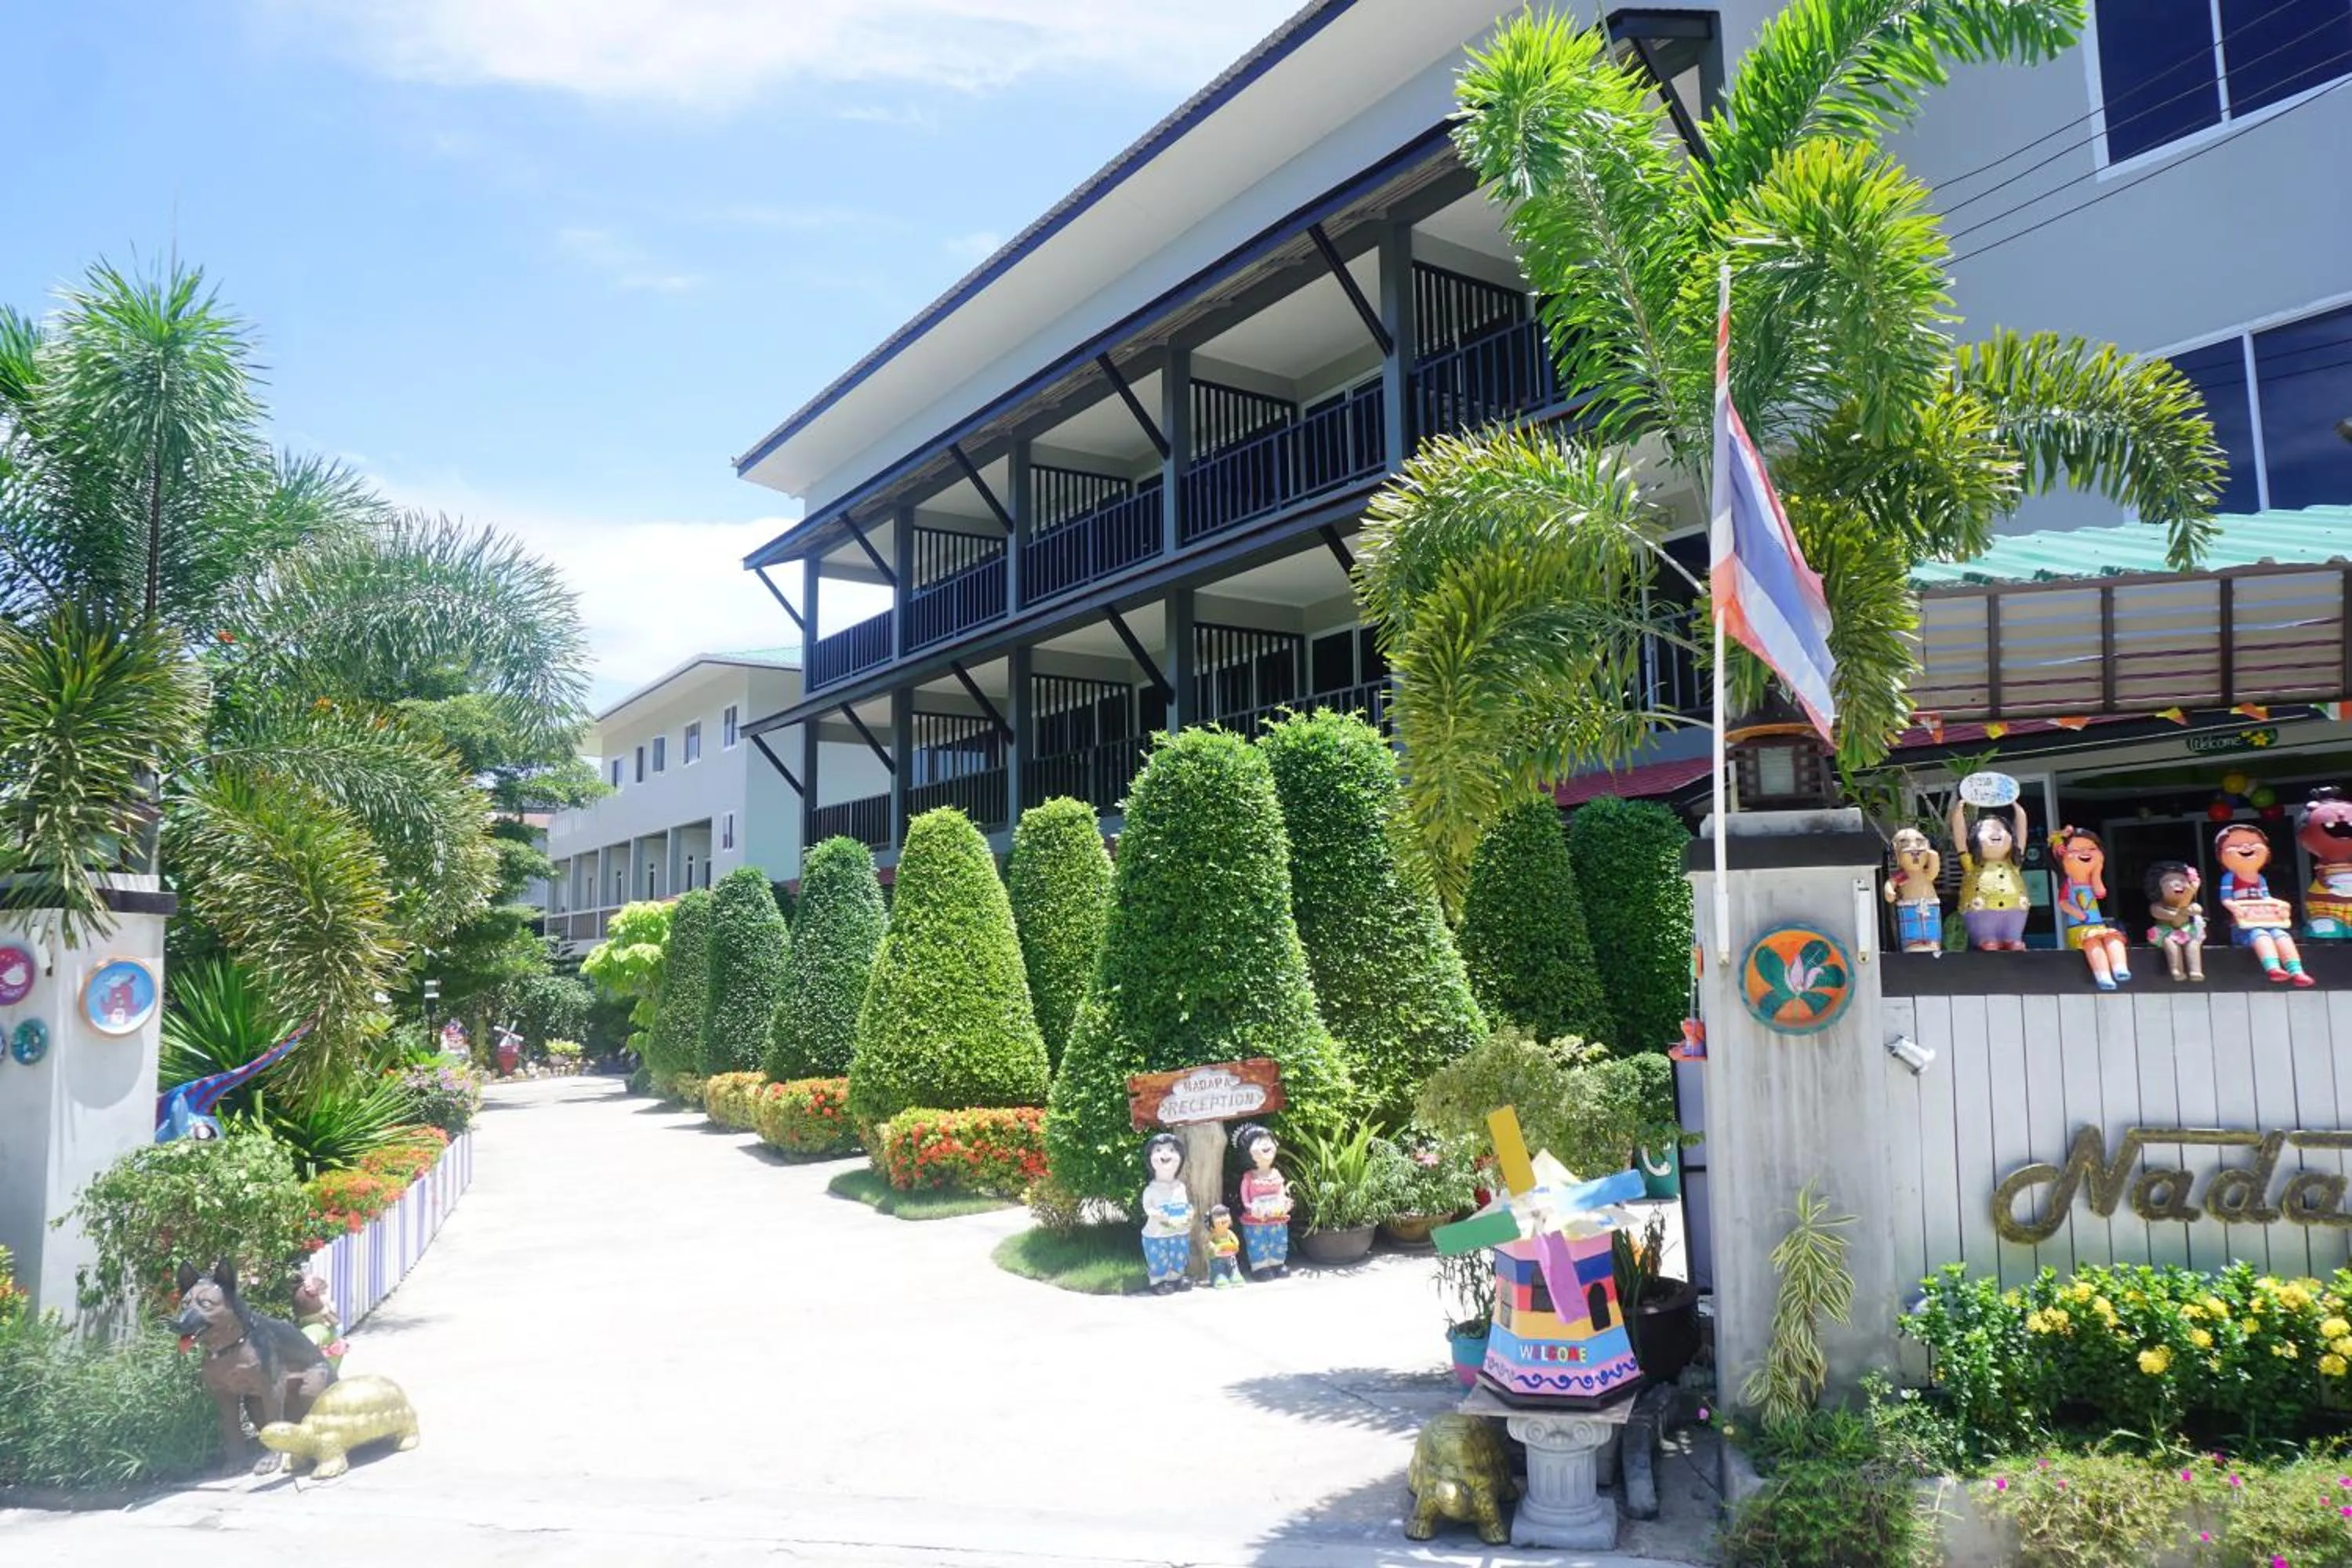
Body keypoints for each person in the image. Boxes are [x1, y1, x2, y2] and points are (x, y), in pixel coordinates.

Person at [2215, 823, 2313, 985]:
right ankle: (2273, 968)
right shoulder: (2229, 878)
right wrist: (2234, 907)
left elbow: (2266, 897)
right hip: (2243, 927)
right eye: (2235, 845)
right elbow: (2226, 899)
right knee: (2261, 935)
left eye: (2253, 843)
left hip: (2264, 918)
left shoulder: (2260, 879)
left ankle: (2297, 971)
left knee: (2282, 936)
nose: (2245, 847)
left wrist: (2282, 905)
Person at [2050, 828, 2130, 990]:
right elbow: (2063, 903)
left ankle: (2120, 968)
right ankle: (2103, 975)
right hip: (2079, 928)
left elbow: (2100, 892)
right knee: (2092, 942)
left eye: (2092, 849)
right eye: (2077, 850)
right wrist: (2079, 915)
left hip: (2098, 925)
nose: (2086, 853)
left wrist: (2096, 872)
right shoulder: (2068, 884)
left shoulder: (2089, 883)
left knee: (2114, 937)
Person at [1948, 797, 2029, 950]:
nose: (1995, 833)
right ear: (1974, 840)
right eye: (1987, 830)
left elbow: (2022, 832)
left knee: (2014, 937)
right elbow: (1959, 837)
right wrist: (1959, 810)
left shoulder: (2013, 863)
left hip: (2015, 908)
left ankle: (2013, 938)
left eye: (2001, 829)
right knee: (1987, 937)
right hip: (1981, 908)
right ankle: (1985, 938)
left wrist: (2017, 808)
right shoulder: (1972, 865)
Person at [1232, 1122, 1292, 1279]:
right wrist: (1249, 1207)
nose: (1266, 1145)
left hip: (1276, 1213)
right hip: (1256, 1215)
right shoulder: (1249, 1176)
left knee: (1278, 1238)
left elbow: (1281, 1189)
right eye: (1259, 1142)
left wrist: (1284, 1200)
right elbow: (1244, 1196)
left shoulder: (1275, 1173)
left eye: (1268, 1140)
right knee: (1258, 1241)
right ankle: (1260, 1267)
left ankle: (1278, 1263)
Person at [1138, 1134, 1194, 1294]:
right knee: (1159, 1257)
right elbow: (1148, 1208)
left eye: (1171, 1150)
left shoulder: (1180, 1187)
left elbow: (1184, 1204)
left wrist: (1189, 1211)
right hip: (1158, 1233)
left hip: (1178, 1229)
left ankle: (1176, 1277)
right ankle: (1159, 1280)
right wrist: (1157, 1214)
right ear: (1150, 1159)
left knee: (1178, 1255)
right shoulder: (1151, 1190)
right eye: (1159, 1150)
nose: (1165, 1154)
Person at [1882, 827, 1944, 954]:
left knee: (1931, 927)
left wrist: (1932, 855)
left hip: (1930, 904)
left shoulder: (1926, 875)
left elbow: (1934, 870)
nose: (1914, 850)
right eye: (1905, 843)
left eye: (1919, 842)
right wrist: (1889, 890)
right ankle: (1912, 943)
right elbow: (1891, 883)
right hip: (1909, 906)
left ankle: (1932, 942)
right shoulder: (1903, 875)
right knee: (1911, 927)